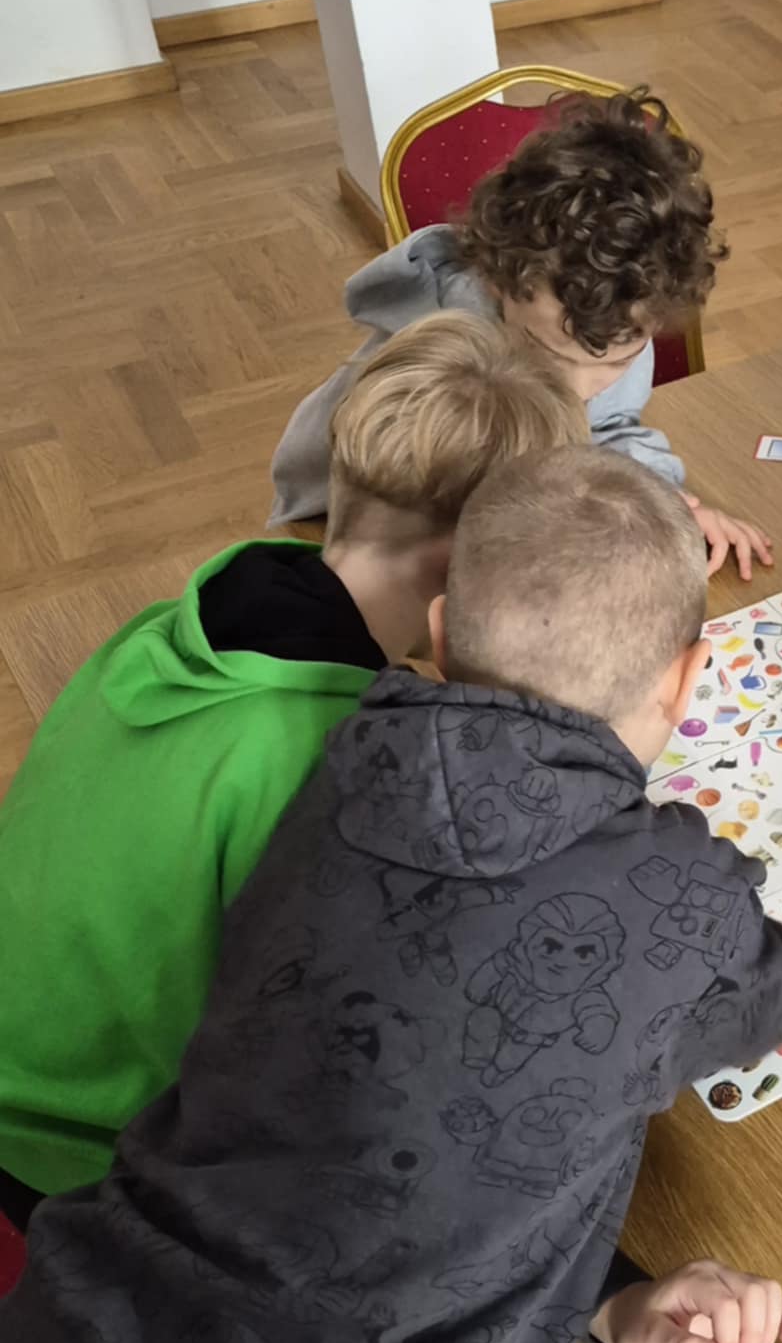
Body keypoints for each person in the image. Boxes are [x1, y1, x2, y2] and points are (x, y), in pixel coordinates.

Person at [0, 444, 782, 1343]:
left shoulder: (338, 757)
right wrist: (661, 842)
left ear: (435, 631)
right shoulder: (677, 900)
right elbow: (767, 987)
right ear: (688, 681)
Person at [0, 315, 589, 1228]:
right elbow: (379, 1048)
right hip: (87, 1169)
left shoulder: (178, 623)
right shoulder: (341, 771)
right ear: (462, 567)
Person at [270, 86, 772, 580]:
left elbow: (608, 430)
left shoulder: (615, 314)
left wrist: (659, 501)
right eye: (547, 352)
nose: (577, 392)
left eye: (619, 362)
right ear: (496, 275)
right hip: (359, 531)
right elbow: (388, 492)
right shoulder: (439, 353)